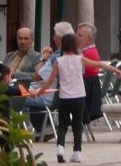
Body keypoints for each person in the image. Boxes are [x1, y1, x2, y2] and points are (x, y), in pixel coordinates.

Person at [36, 32, 89, 163]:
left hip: (64, 97)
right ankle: (77, 152)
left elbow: (50, 80)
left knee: (62, 125)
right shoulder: (80, 58)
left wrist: (41, 91)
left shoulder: (58, 61)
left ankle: (60, 148)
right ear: (75, 45)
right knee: (77, 125)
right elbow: (98, 65)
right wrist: (114, 70)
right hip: (79, 96)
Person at [74, 23, 121, 122]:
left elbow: (95, 66)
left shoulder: (88, 52)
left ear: (89, 39)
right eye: (76, 34)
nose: (76, 38)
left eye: (80, 36)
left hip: (86, 86)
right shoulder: (86, 51)